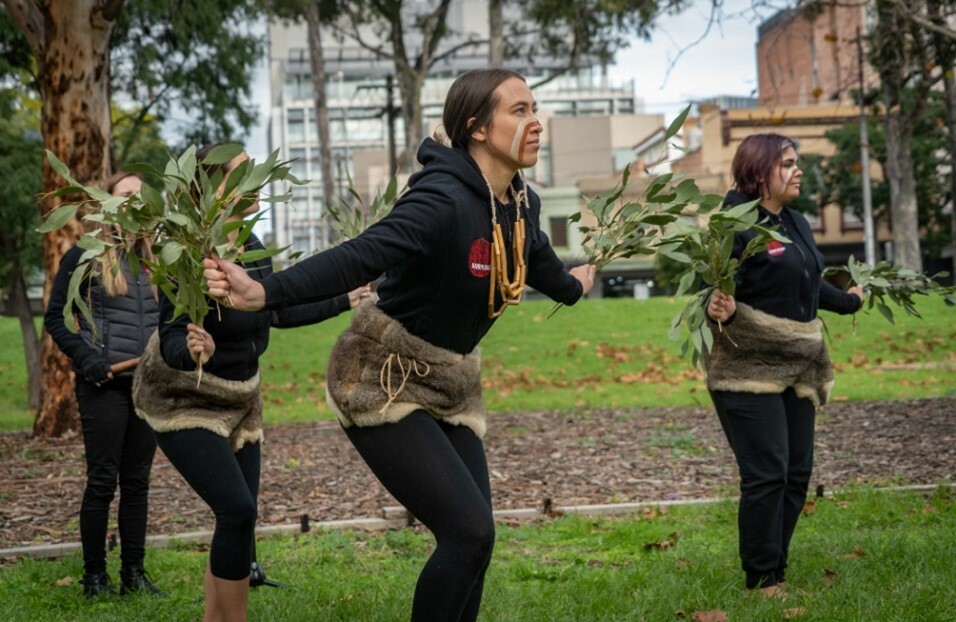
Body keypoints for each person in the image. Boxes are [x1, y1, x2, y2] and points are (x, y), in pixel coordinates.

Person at [203, 68, 597, 622]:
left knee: (475, 540)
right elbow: (362, 253)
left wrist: (577, 285)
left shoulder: (518, 204)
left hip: (448, 382)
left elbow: (543, 267)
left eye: (535, 110)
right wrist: (264, 289)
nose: (536, 124)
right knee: (467, 530)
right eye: (520, 111)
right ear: (476, 128)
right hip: (378, 378)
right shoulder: (441, 199)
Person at [131, 146, 366, 621]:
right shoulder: (188, 251)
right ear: (211, 190)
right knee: (237, 509)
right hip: (184, 400)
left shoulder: (252, 244)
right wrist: (192, 349)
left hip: (241, 400)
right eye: (243, 176)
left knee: (237, 518)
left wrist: (345, 299)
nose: (257, 182)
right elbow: (174, 334)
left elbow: (274, 310)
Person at [703, 133, 864, 597]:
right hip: (746, 368)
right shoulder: (732, 224)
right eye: (788, 163)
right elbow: (706, 288)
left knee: (796, 473)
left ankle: (777, 568)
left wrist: (848, 301)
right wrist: (718, 305)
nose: (798, 171)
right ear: (758, 172)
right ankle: (762, 579)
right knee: (767, 473)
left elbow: (808, 282)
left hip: (797, 366)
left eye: (798, 163)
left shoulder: (795, 221)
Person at [44, 172, 165, 597]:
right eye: (126, 194)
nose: (135, 201)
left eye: (142, 195)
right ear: (106, 204)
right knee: (103, 481)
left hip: (146, 385)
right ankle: (95, 576)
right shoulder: (84, 257)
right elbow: (55, 318)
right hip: (105, 385)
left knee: (137, 482)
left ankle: (134, 572)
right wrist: (86, 358)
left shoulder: (159, 261)